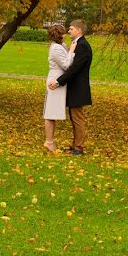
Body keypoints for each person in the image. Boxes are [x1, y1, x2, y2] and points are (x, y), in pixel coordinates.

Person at [48, 19, 92, 155]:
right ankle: (75, 145)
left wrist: (58, 81)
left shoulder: (82, 45)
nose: (69, 31)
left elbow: (74, 69)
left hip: (79, 88)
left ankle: (78, 147)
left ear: (79, 30)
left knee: (77, 118)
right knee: (74, 117)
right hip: (74, 87)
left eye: (71, 28)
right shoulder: (76, 44)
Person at [42, 24, 72, 153]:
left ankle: (50, 141)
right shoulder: (55, 48)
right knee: (50, 113)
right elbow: (66, 65)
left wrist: (69, 49)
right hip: (55, 81)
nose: (65, 35)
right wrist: (72, 51)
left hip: (59, 81)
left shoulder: (60, 46)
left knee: (53, 113)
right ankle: (49, 142)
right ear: (58, 35)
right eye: (63, 33)